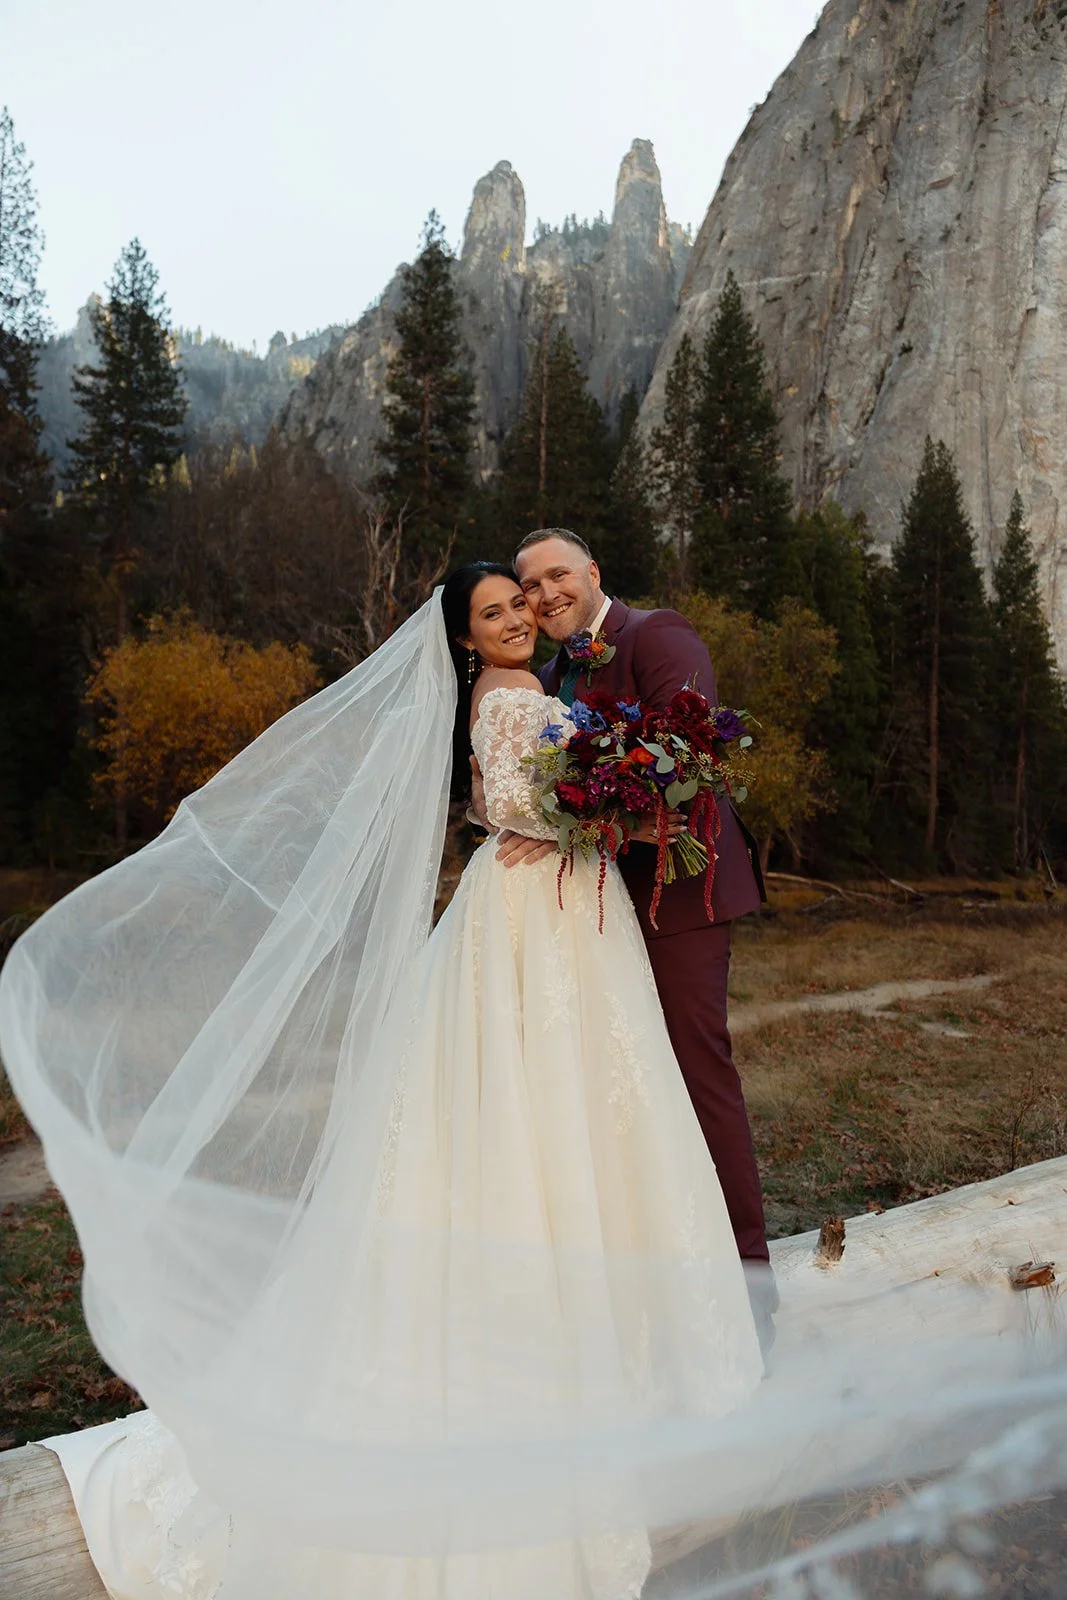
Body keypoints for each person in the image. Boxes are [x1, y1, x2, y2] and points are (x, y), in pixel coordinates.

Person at [0, 563, 763, 1600]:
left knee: (583, 1099)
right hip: (534, 906)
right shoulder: (509, 700)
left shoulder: (543, 690)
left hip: (560, 911)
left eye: (517, 604)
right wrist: (608, 811)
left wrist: (611, 797)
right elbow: (518, 807)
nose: (511, 619)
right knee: (538, 1104)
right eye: (492, 613)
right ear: (465, 640)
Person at [496, 529, 778, 1347]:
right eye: (528, 585)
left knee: (697, 1075)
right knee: (624, 1085)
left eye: (556, 575)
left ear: (592, 574)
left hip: (681, 896)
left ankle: (750, 1287)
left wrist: (569, 816)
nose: (544, 593)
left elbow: (688, 758)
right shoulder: (548, 677)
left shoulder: (658, 635)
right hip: (595, 911)